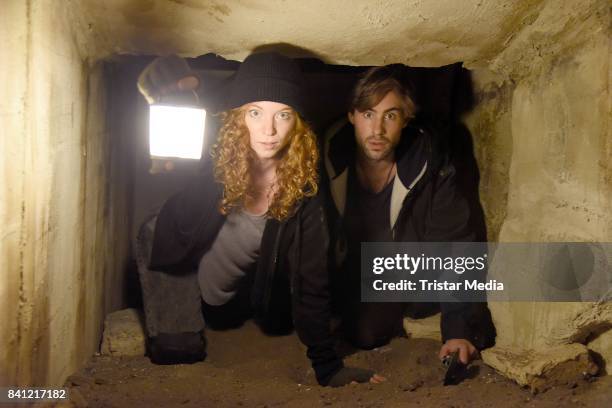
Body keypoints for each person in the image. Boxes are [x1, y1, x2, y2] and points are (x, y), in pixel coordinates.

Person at [135, 52, 384, 387]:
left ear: (296, 121)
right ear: (239, 117)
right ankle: (178, 331)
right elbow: (158, 88)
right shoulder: (216, 149)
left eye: (282, 114)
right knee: (155, 230)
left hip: (243, 305)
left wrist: (328, 366)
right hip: (190, 284)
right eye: (255, 112)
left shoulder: (304, 185)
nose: (268, 130)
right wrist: (168, 82)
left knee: (272, 315)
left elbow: (312, 274)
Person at [323, 65, 496, 365]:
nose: (377, 130)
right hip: (349, 277)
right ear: (351, 116)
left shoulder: (430, 163)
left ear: (406, 119)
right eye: (367, 114)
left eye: (390, 115)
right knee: (363, 332)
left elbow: (454, 243)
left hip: (409, 278)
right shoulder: (327, 158)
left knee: (372, 328)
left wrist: (458, 329)